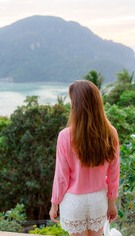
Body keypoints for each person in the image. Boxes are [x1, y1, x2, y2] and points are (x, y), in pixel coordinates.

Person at [49, 80, 120, 236]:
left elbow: (61, 176)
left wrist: (55, 203)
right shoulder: (110, 132)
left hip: (74, 201)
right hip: (98, 200)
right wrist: (111, 202)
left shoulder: (65, 136)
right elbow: (114, 173)